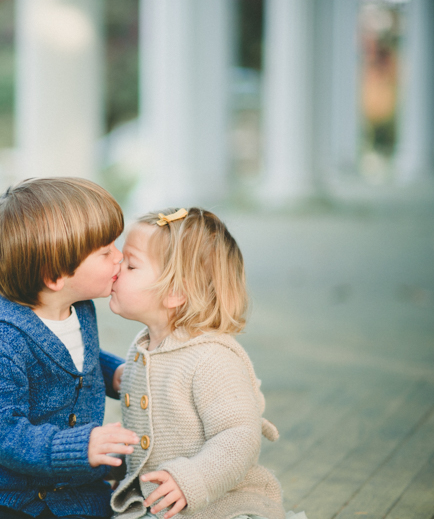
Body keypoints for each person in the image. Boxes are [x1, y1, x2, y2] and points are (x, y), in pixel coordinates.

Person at [0, 177, 140, 519]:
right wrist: (77, 447)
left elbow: (74, 362)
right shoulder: (0, 344)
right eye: (106, 252)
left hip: (75, 493)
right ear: (55, 276)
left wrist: (115, 374)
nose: (119, 257)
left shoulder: (78, 307)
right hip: (5, 494)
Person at [109, 207, 300, 519]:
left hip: (226, 504)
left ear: (174, 292)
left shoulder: (211, 358)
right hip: (161, 506)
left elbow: (240, 436)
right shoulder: (144, 347)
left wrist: (192, 479)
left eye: (130, 265)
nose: (116, 267)